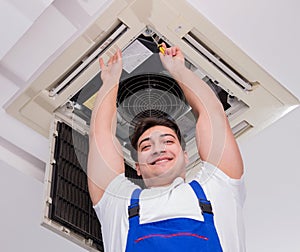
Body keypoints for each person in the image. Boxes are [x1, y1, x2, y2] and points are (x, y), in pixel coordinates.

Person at [87, 43, 246, 252]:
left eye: (168, 141)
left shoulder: (218, 187)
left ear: (186, 156)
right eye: (146, 146)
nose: (158, 148)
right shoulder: (118, 203)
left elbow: (212, 112)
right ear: (137, 167)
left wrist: (178, 69)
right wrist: (110, 81)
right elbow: (100, 135)